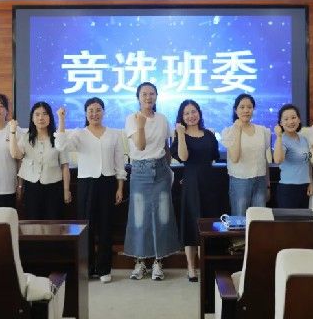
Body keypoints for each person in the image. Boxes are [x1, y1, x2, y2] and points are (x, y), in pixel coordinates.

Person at [55, 98, 126, 284]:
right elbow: (61, 146)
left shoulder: (114, 134)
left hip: (108, 182)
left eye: (98, 110)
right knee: (87, 227)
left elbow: (119, 162)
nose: (94, 113)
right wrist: (61, 120)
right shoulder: (79, 133)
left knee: (106, 226)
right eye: (91, 110)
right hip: (86, 183)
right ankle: (87, 267)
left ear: (104, 112)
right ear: (86, 113)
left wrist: (120, 187)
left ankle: (104, 268)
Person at [124, 82, 181, 281]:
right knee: (139, 217)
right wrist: (141, 125)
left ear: (156, 96)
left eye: (152, 94)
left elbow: (165, 147)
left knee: (162, 216)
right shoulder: (132, 119)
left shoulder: (162, 119)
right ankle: (140, 262)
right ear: (138, 97)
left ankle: (158, 262)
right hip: (140, 171)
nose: (148, 97)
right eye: (144, 94)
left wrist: (168, 169)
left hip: (161, 171)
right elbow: (140, 146)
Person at [170, 99, 219, 282]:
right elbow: (184, 157)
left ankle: (205, 264)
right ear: (181, 117)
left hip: (209, 183)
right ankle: (191, 267)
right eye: (186, 113)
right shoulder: (180, 136)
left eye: (194, 111)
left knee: (207, 224)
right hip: (190, 184)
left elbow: (214, 157)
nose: (191, 116)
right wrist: (181, 134)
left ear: (199, 113)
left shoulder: (209, 134)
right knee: (190, 225)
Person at [9, 101, 69, 220]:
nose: (41, 117)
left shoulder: (58, 138)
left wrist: (66, 190)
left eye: (45, 114)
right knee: (33, 221)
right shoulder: (26, 138)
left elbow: (65, 166)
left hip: (54, 187)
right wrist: (12, 132)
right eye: (37, 114)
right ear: (32, 118)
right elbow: (16, 155)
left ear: (50, 117)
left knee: (53, 222)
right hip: (32, 187)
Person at [221, 93, 272, 216]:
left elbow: (264, 159)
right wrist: (238, 129)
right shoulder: (228, 132)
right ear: (235, 110)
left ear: (253, 109)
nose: (246, 110)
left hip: (260, 181)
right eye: (242, 107)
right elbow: (235, 158)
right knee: (239, 219)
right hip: (240, 181)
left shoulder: (262, 131)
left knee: (259, 219)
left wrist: (268, 185)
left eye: (249, 107)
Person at [272, 103, 313, 208]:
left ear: (299, 120)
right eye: (286, 119)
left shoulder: (304, 139)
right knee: (289, 219)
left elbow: (307, 162)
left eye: (293, 117)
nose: (290, 122)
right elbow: (278, 160)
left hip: (305, 187)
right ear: (281, 123)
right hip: (288, 189)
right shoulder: (282, 140)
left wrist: (311, 182)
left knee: (304, 218)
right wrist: (279, 136)